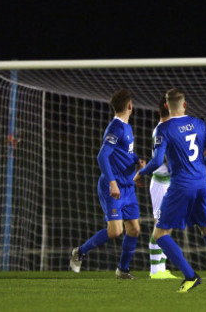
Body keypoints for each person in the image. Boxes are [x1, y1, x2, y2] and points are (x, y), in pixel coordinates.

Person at [133, 89, 206, 293]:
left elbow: (157, 161)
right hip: (201, 183)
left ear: (166, 106)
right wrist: (199, 164)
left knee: (159, 233)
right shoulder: (200, 124)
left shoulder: (163, 129)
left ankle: (190, 276)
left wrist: (140, 174)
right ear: (185, 105)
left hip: (180, 186)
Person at [70, 89, 146, 279]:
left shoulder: (126, 128)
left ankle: (123, 269)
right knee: (115, 231)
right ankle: (80, 252)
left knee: (134, 229)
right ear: (130, 106)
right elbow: (102, 156)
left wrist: (137, 160)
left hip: (127, 187)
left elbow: (125, 153)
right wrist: (112, 183)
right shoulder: (116, 127)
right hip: (113, 187)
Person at [145, 96, 177, 279]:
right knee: (160, 225)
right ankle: (155, 270)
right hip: (161, 184)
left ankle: (160, 268)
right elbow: (162, 160)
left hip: (168, 184)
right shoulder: (161, 130)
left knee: (167, 226)